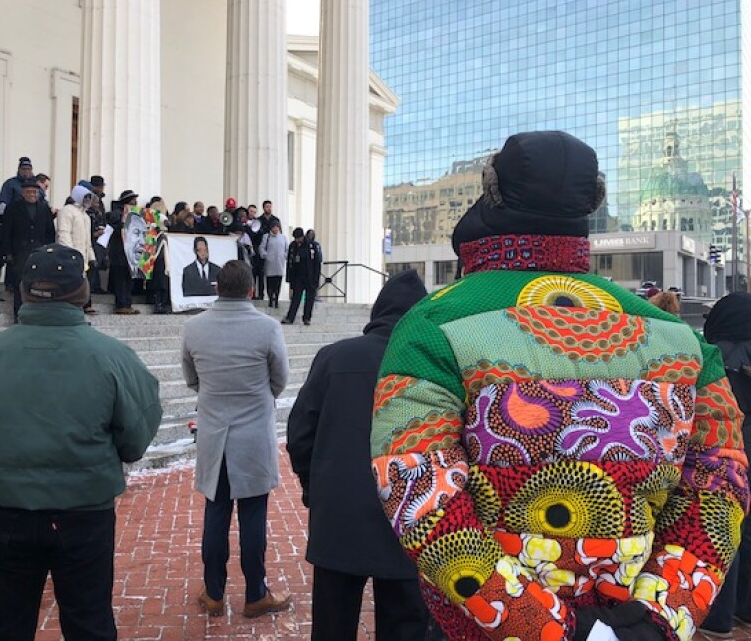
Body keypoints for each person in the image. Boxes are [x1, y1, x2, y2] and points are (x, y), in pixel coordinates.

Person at [369, 131, 748, 641]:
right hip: (635, 623)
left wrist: (549, 626)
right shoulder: (681, 339)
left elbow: (419, 493)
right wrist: (662, 614)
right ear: (592, 205)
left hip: (486, 627)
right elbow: (721, 487)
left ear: (491, 192)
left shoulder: (432, 325)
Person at [0, 243, 163, 641]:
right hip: (84, 513)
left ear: (24, 290)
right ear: (82, 292)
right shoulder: (113, 357)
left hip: (8, 510)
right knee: (89, 624)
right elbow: (135, 437)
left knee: (7, 627)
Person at [287, 268, 430, 641]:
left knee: (333, 626)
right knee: (406, 626)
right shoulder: (435, 366)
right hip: (409, 518)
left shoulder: (334, 357)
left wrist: (313, 488)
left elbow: (300, 433)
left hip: (340, 513)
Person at [181, 260, 292, 618]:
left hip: (214, 433)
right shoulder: (268, 327)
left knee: (216, 512)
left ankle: (213, 593)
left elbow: (191, 379)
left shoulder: (194, 327)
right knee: (253, 515)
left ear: (216, 288)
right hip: (254, 436)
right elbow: (280, 380)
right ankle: (256, 593)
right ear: (251, 290)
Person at [698, 292, 751, 638]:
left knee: (723, 527)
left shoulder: (714, 363)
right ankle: (744, 611)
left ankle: (718, 619)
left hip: (728, 455)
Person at [2, 180, 56, 320]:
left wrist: (50, 251)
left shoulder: (44, 208)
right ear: (23, 193)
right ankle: (18, 315)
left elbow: (50, 232)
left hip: (40, 253)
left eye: (34, 192)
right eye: (29, 192)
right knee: (20, 285)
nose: (32, 194)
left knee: (40, 284)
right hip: (20, 252)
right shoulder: (13, 208)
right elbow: (6, 232)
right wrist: (8, 253)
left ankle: (37, 315)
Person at [58, 185, 97, 315]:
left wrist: (92, 257)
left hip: (83, 257)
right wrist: (71, 254)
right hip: (71, 256)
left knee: (82, 283)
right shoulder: (67, 211)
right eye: (85, 197)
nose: (87, 200)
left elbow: (87, 240)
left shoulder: (85, 216)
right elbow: (63, 233)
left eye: (89, 197)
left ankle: (81, 307)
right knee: (71, 283)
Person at [283, 228, 316, 325]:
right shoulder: (293, 246)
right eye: (296, 238)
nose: (297, 240)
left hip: (310, 276)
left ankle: (307, 318)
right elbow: (290, 262)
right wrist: (290, 278)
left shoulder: (312, 246)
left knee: (309, 299)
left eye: (299, 238)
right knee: (295, 298)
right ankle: (290, 317)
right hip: (298, 277)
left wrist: (316, 278)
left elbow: (317, 263)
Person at [259, 221, 287, 308]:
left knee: (278, 283)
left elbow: (287, 249)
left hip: (279, 263)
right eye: (274, 227)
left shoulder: (283, 237)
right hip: (270, 263)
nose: (275, 229)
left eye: (277, 227)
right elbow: (261, 247)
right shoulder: (266, 237)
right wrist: (265, 255)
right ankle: (270, 299)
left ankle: (277, 299)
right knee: (270, 283)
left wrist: (284, 256)